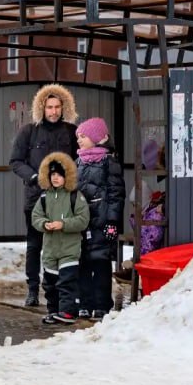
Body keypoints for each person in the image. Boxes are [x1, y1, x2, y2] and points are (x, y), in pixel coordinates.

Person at [9, 83, 78, 307]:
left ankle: (61, 291)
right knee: (34, 245)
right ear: (42, 107)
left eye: (57, 107)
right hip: (36, 199)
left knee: (63, 245)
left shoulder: (71, 132)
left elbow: (80, 159)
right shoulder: (29, 131)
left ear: (64, 107)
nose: (53, 111)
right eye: (49, 107)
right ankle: (32, 289)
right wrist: (33, 177)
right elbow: (15, 161)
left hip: (64, 199)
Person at [74, 117, 126, 320]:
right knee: (83, 262)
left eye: (83, 136)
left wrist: (112, 221)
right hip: (82, 222)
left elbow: (116, 193)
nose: (79, 140)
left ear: (96, 138)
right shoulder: (78, 162)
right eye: (78, 137)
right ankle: (84, 303)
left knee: (101, 262)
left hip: (102, 222)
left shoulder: (108, 162)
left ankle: (102, 304)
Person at [30, 152, 88, 325]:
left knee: (67, 282)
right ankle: (53, 311)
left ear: (67, 176)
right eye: (53, 174)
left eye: (59, 175)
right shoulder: (44, 197)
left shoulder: (75, 196)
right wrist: (44, 224)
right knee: (50, 283)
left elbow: (83, 219)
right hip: (50, 249)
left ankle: (68, 311)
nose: (55, 178)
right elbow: (35, 217)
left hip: (69, 249)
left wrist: (63, 224)